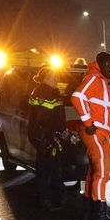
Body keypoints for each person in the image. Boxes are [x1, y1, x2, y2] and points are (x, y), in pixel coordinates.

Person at [71, 52, 110, 220]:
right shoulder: (95, 79)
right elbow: (77, 97)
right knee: (102, 174)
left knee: (94, 173)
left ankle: (90, 214)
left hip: (100, 133)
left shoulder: (102, 82)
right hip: (96, 133)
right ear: (99, 64)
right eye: (108, 64)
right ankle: (99, 217)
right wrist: (88, 123)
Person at [28, 67, 66, 210]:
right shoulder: (42, 93)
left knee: (54, 168)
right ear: (46, 79)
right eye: (54, 77)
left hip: (50, 136)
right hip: (45, 137)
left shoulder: (49, 92)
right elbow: (43, 117)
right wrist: (56, 131)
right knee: (45, 169)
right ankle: (45, 199)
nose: (57, 79)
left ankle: (55, 198)